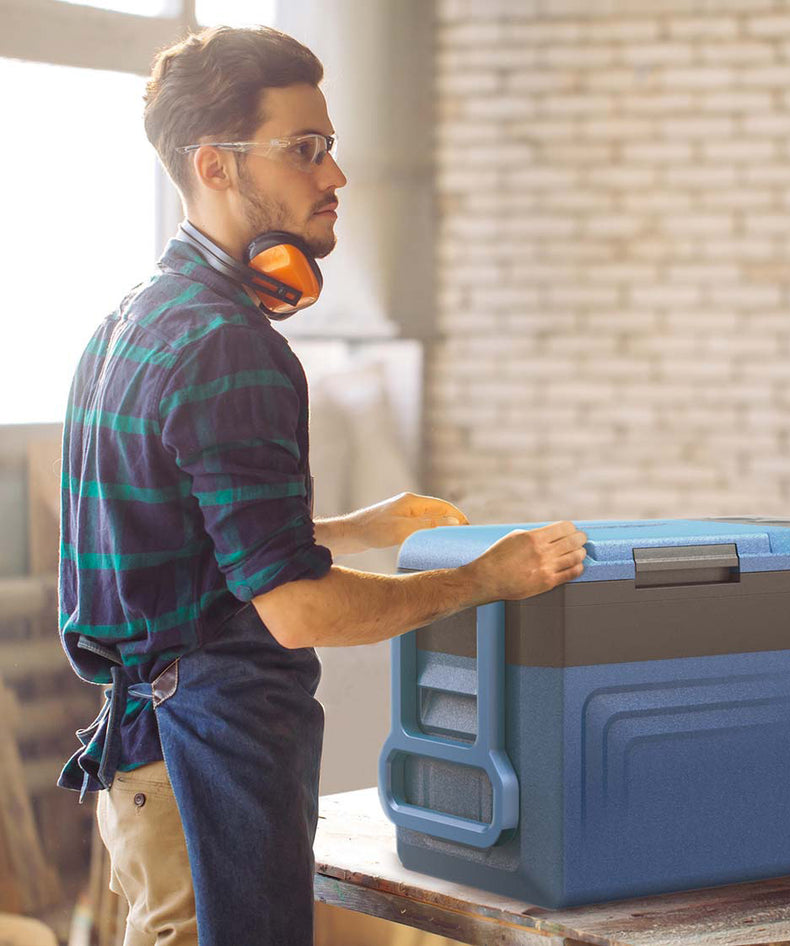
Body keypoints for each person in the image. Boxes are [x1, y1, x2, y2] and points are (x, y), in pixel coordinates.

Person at [57, 25, 587, 946]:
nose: (335, 176)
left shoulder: (128, 322)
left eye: (330, 146)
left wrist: (356, 526)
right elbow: (297, 612)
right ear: (215, 166)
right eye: (304, 150)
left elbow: (197, 554)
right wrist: (486, 579)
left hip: (148, 769)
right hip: (200, 775)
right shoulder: (231, 346)